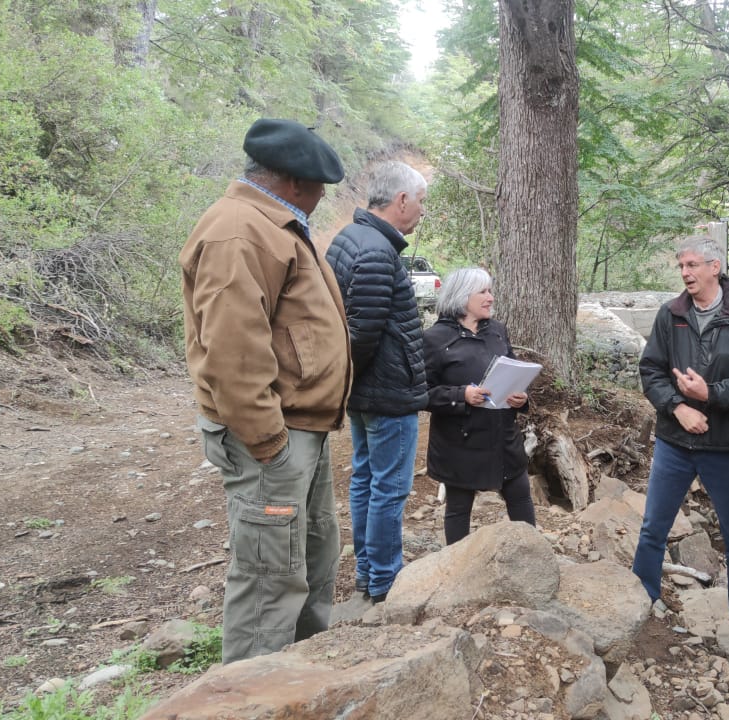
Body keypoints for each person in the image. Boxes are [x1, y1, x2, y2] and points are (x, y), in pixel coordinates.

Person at [180, 118, 349, 663]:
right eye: (321, 186)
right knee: (269, 577)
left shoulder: (273, 225)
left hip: (303, 430)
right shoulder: (239, 230)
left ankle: (299, 680)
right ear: (295, 182)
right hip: (274, 438)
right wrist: (269, 441)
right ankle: (253, 694)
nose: (324, 196)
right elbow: (232, 350)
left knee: (312, 560)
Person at [633, 234, 729, 645]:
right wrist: (679, 406)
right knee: (653, 527)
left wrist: (708, 394)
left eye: (692, 265)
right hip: (675, 441)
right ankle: (641, 601)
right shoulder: (670, 314)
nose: (686, 273)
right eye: (681, 266)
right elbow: (651, 371)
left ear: (715, 267)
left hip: (727, 444)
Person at [325, 161, 429, 604]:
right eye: (421, 202)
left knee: (366, 479)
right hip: (385, 393)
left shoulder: (350, 239)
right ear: (401, 200)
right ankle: (386, 580)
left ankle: (369, 573)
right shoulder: (376, 251)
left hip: (365, 391)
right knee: (388, 487)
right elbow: (360, 335)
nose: (422, 212)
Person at [423, 268, 536, 544]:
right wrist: (461, 395)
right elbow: (421, 393)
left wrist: (521, 397)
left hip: (503, 437)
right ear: (463, 298)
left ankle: (535, 561)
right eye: (483, 292)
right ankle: (459, 572)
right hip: (460, 442)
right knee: (459, 509)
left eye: (490, 291)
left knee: (521, 497)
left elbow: (512, 370)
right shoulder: (434, 339)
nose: (490, 298)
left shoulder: (497, 331)